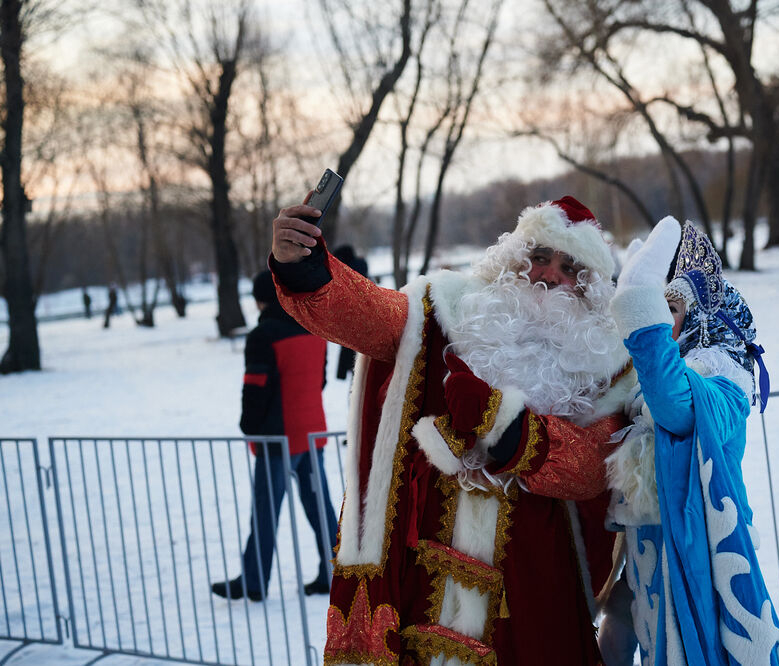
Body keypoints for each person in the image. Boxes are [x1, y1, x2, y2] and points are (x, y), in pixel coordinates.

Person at [269, 195, 635, 664]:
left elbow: (590, 467)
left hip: (534, 590)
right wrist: (304, 266)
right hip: (424, 581)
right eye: (539, 257)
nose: (548, 275)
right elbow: (366, 314)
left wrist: (509, 431)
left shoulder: (607, 364)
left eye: (569, 267)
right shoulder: (446, 309)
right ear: (513, 261)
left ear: (588, 285)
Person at [599, 217, 779, 665]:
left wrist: (638, 307)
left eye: (670, 309)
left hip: (704, 572)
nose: (661, 320)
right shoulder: (643, 387)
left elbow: (678, 405)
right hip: (651, 583)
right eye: (657, 307)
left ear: (701, 320)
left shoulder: (724, 385)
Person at [211, 270, 339, 601]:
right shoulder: (314, 327)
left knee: (266, 513)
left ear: (260, 299)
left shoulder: (262, 336)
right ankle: (335, 574)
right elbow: (321, 382)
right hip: (312, 434)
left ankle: (253, 582)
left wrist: (249, 427)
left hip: (278, 439)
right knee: (320, 508)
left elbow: (255, 389)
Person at [330, 244, 370, 381]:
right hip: (367, 344)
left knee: (357, 387)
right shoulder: (362, 278)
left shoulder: (349, 280)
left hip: (357, 342)